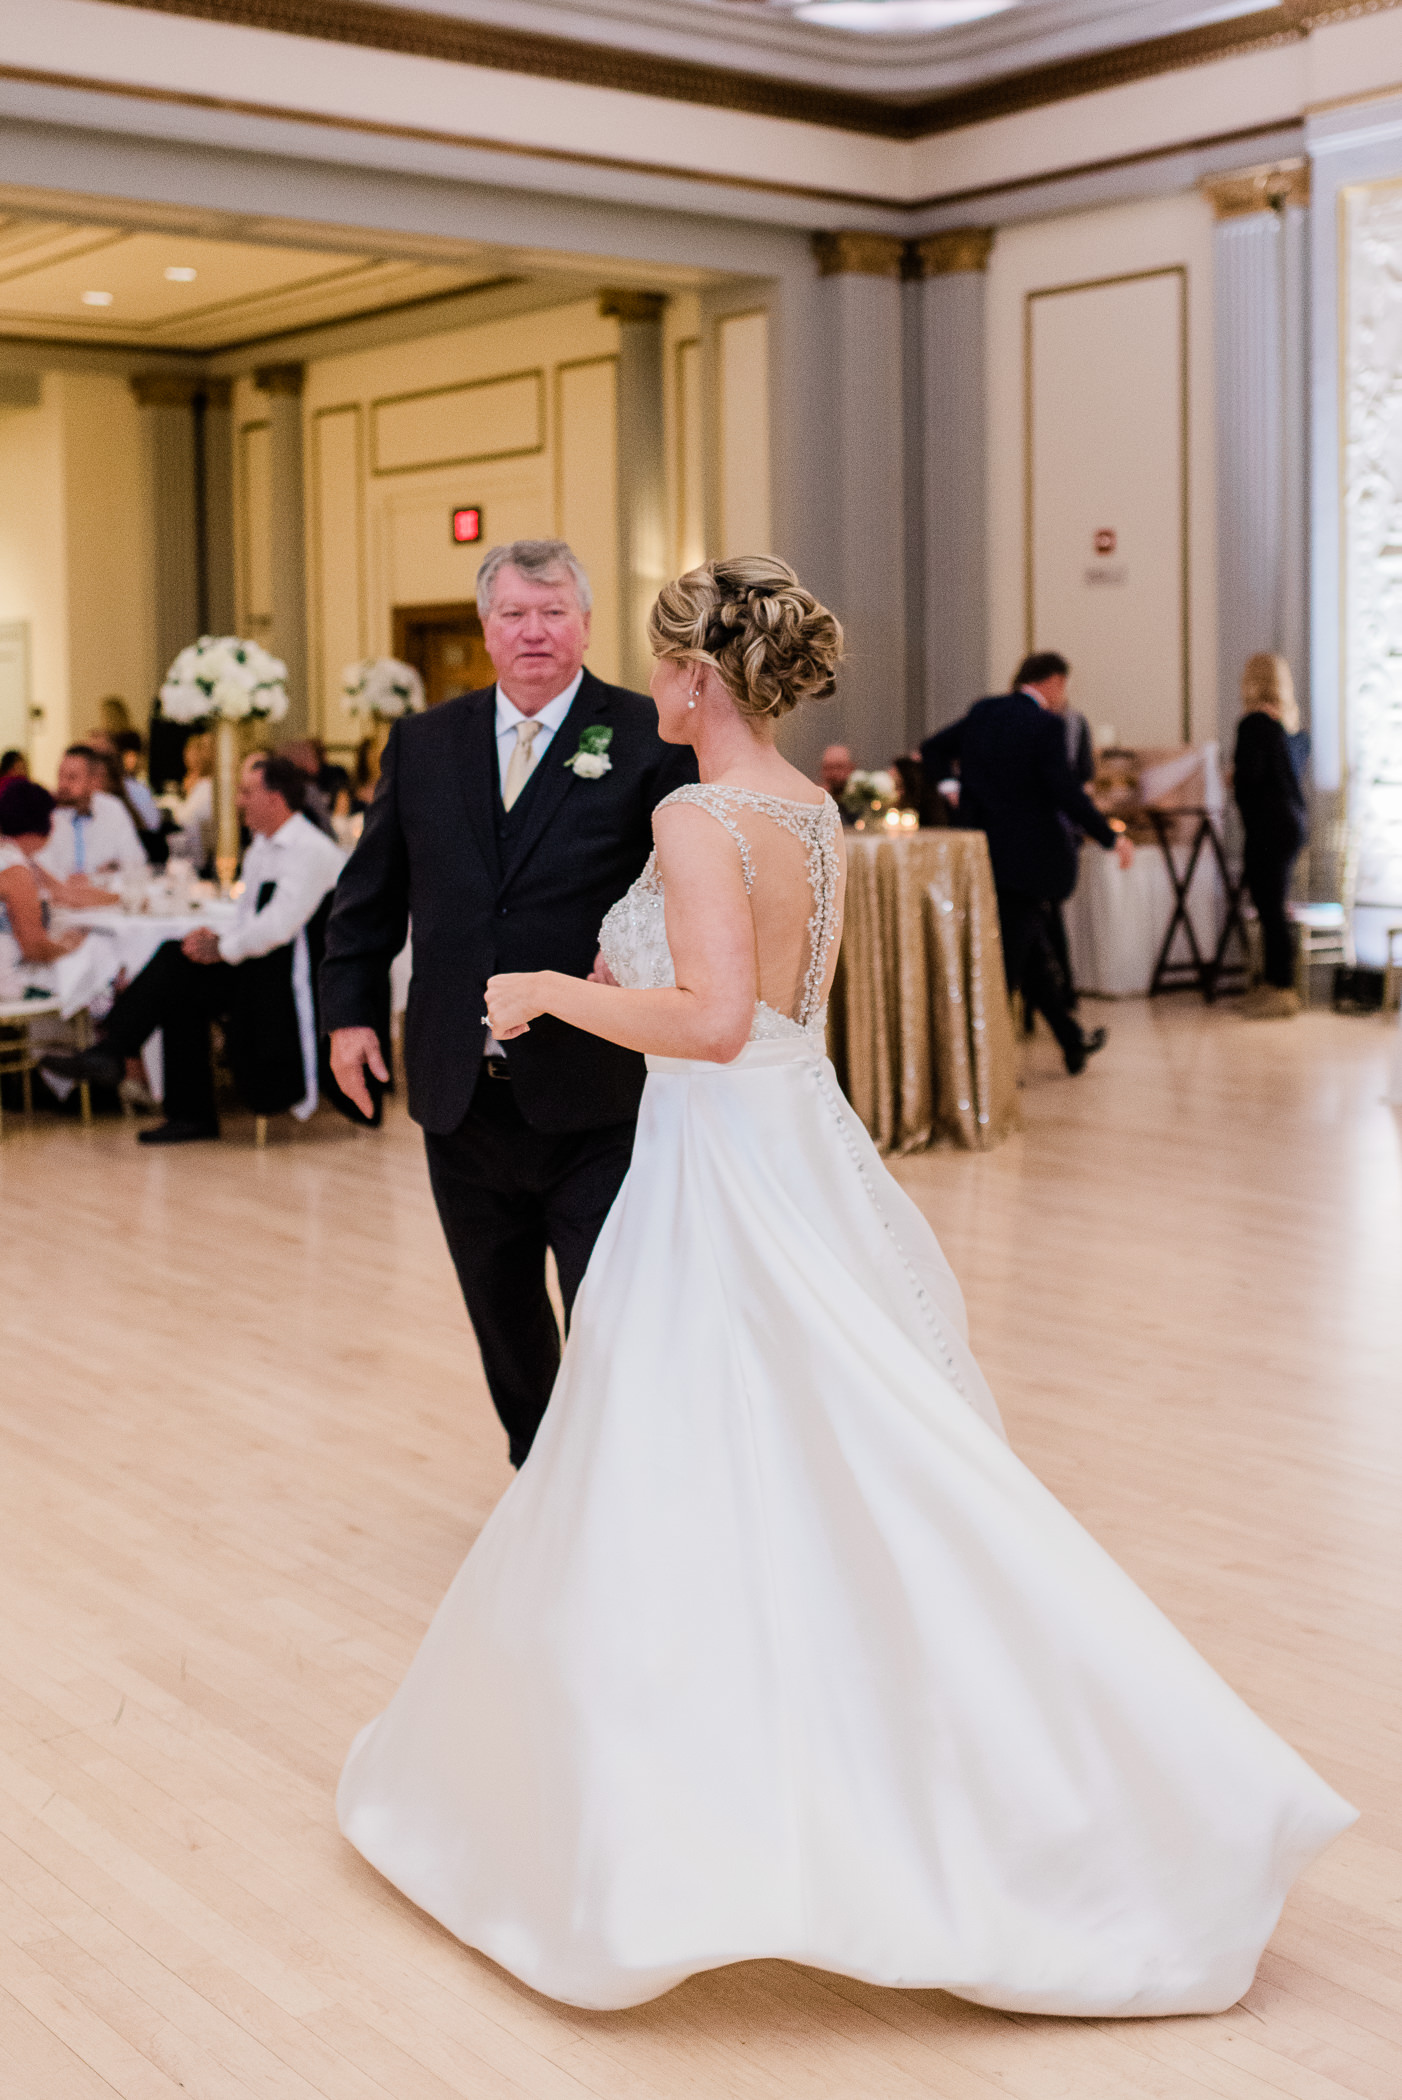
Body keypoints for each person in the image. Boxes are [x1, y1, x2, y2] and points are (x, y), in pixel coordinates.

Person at [336, 555, 1354, 2017]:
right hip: (797, 1142)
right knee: (846, 1448)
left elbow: (710, 1016)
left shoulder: (692, 812)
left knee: (699, 1446)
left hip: (720, 1162)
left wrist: (550, 991)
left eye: (657, 664)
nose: (648, 686)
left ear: (693, 680)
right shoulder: (805, 807)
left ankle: (686, 1792)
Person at [322, 538, 697, 1469]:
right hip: (462, 1092)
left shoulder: (648, 736)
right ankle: (539, 1472)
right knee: (500, 1312)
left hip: (596, 1092)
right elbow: (370, 894)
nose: (534, 632)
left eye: (553, 612)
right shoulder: (424, 741)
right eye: (513, 614)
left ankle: (621, 1482)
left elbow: (685, 886)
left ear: (586, 623)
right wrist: (349, 1012)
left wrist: (639, 950)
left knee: (608, 1303)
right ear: (486, 628)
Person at [46, 754, 344, 1144]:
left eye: (246, 792)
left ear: (275, 798)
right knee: (179, 964)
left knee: (176, 964)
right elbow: (245, 916)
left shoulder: (310, 850)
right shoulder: (263, 847)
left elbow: (278, 927)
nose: (238, 801)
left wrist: (222, 948)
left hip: (290, 973)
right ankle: (183, 1109)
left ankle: (116, 1049)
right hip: (259, 962)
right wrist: (214, 941)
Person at [921, 653, 1131, 1075]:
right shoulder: (1046, 725)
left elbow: (932, 748)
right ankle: (985, 1070)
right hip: (1033, 860)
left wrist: (951, 787)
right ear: (1053, 681)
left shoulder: (984, 712)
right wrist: (1110, 835)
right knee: (1008, 967)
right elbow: (1064, 792)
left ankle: (1071, 1041)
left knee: (1030, 952)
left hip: (984, 854)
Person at [1234, 653, 1308, 1020]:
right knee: (1273, 906)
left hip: (1268, 825)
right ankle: (1273, 984)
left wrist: (1232, 776)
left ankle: (1282, 989)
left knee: (1271, 909)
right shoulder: (1293, 727)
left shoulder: (1254, 724)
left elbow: (1249, 778)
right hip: (1293, 822)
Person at [0, 780, 85, 1000]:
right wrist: (69, 946)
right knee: (91, 978)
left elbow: (62, 893)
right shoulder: (15, 870)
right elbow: (34, 949)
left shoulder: (14, 857)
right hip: (10, 985)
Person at [35, 744, 147, 895]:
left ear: (94, 781)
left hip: (104, 902)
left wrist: (102, 875)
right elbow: (36, 867)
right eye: (61, 776)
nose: (63, 785)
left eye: (72, 777)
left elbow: (135, 862)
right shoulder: (48, 813)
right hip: (57, 903)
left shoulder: (112, 809)